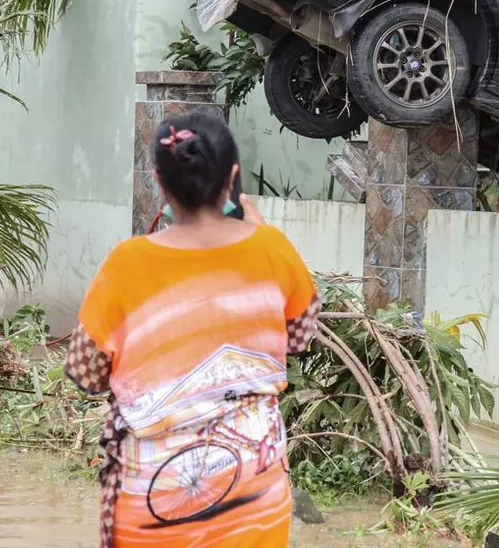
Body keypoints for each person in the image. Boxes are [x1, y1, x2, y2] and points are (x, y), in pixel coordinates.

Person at [65, 110, 321, 548]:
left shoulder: (127, 263)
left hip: (153, 500)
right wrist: (255, 231)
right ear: (233, 178)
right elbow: (300, 337)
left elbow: (85, 374)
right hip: (255, 490)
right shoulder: (272, 248)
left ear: (160, 183)